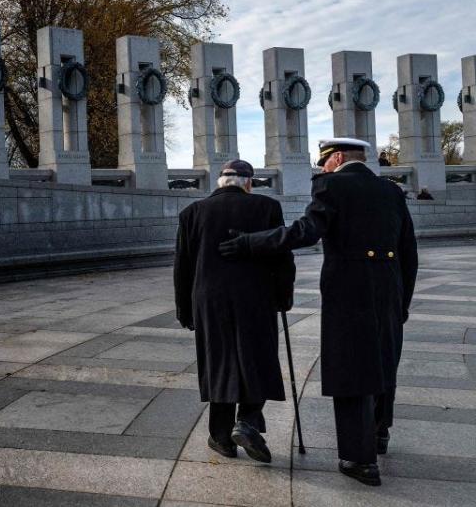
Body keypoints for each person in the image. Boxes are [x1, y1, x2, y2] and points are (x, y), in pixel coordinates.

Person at [219, 138, 418, 487]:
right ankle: (379, 433)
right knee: (383, 361)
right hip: (389, 289)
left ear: (337, 158)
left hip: (349, 291)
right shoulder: (390, 192)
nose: (321, 167)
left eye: (323, 161)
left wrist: (253, 242)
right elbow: (408, 252)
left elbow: (306, 231)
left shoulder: (332, 184)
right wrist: (401, 302)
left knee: (354, 367)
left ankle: (360, 459)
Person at [174, 159, 295, 464]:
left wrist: (184, 310)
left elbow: (182, 267)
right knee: (257, 358)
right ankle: (249, 421)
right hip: (256, 297)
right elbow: (282, 258)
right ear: (249, 183)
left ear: (219, 181)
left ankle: (221, 437)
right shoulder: (266, 208)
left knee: (219, 362)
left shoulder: (192, 213)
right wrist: (284, 297)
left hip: (209, 300)